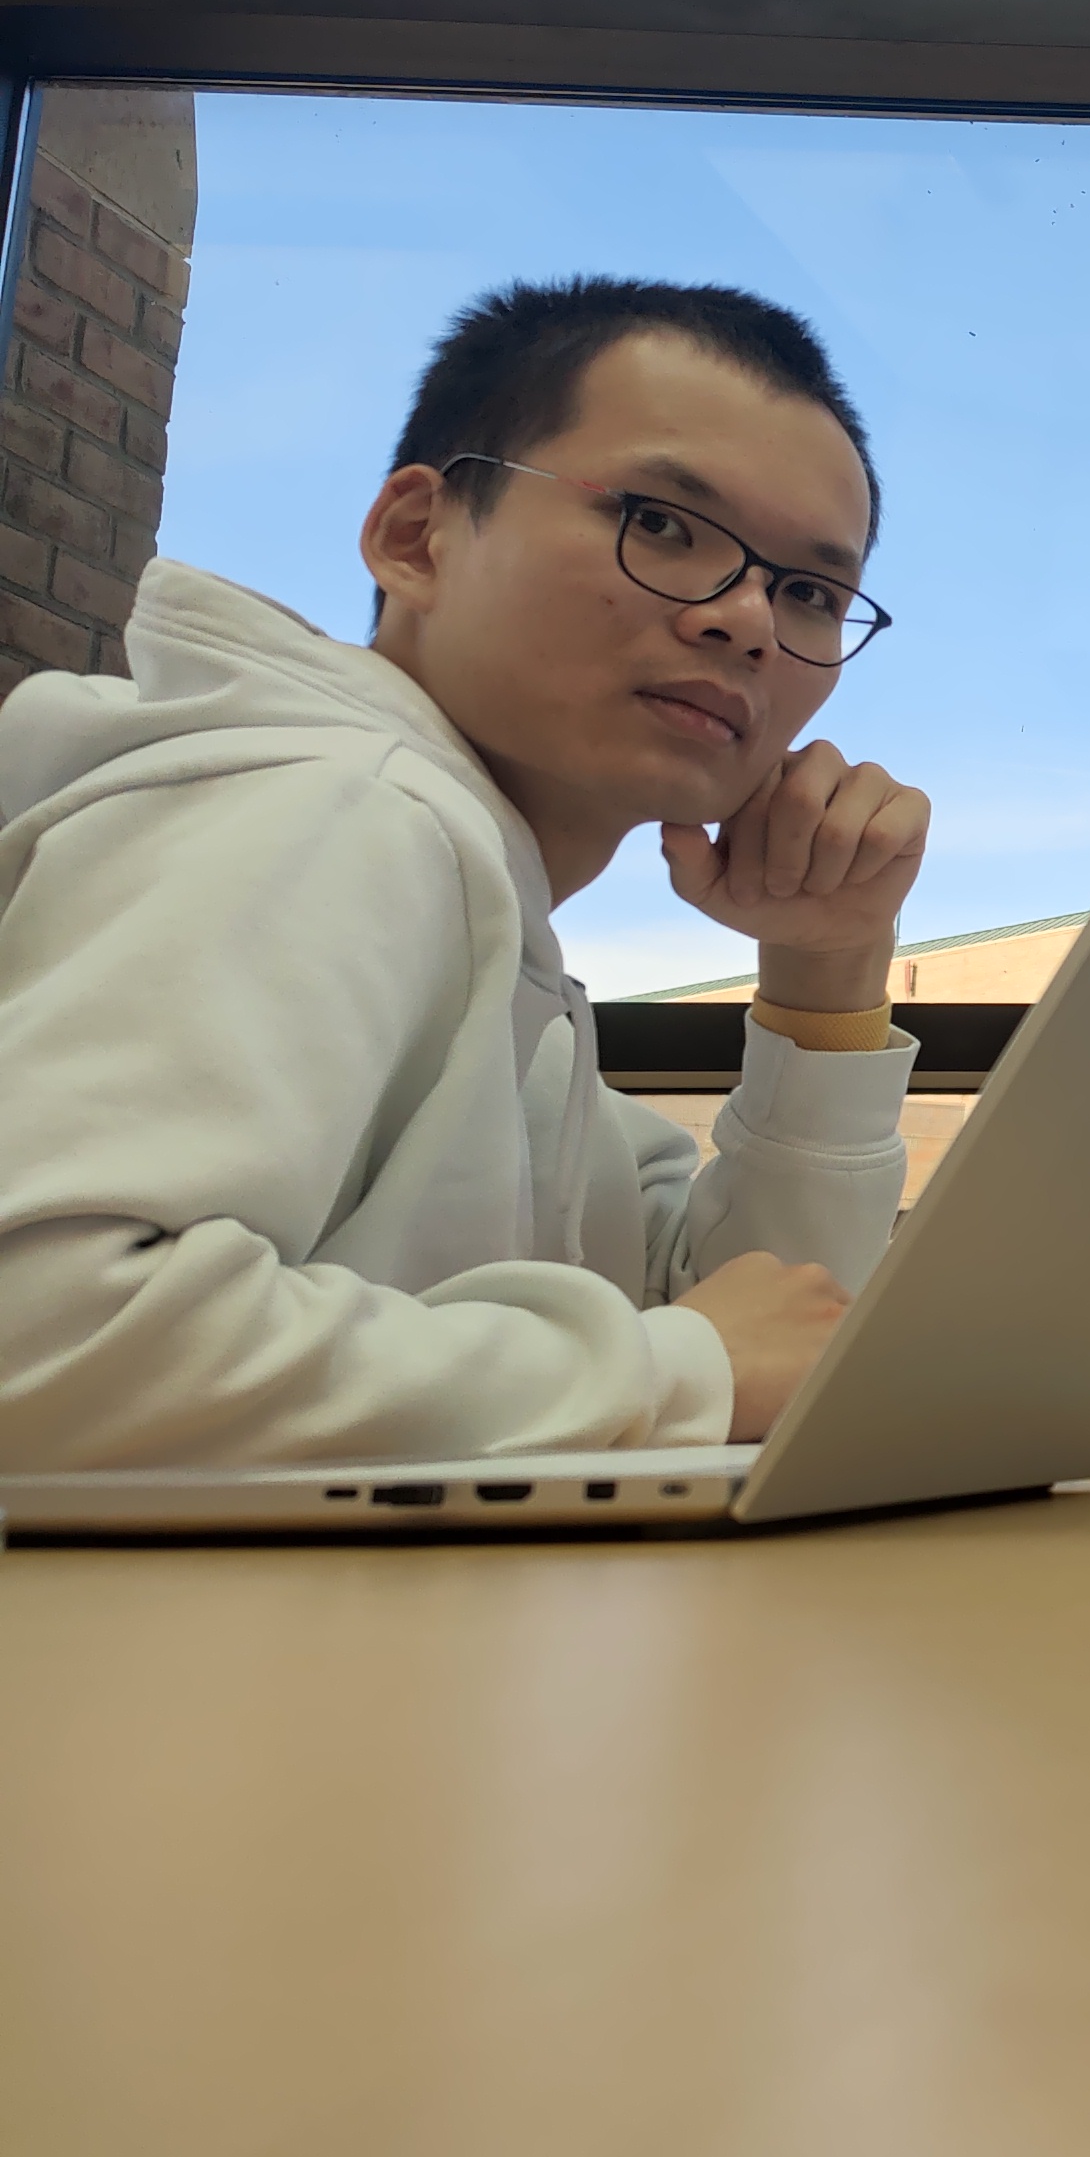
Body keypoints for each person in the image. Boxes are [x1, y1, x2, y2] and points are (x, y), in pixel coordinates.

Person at [0, 279, 933, 1471]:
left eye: (808, 591)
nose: (747, 619)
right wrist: (671, 1370)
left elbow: (779, 1334)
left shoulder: (494, 926)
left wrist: (826, 971)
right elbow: (39, 1335)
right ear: (416, 537)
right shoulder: (342, 810)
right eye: (660, 523)